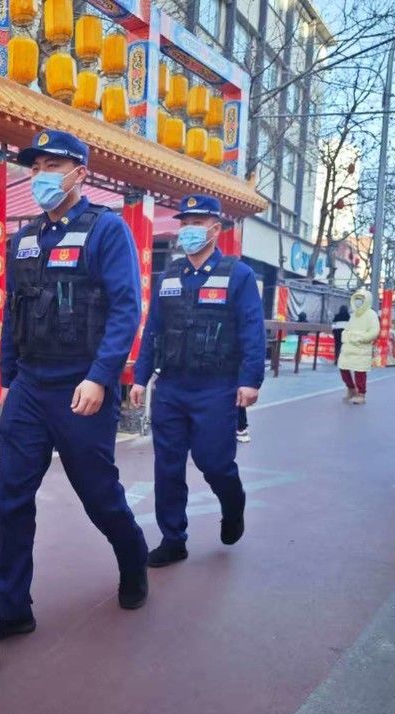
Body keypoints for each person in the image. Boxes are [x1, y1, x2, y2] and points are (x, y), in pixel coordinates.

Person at [0, 129, 148, 638]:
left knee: (98, 494)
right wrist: (8, 379)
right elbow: (13, 313)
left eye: (52, 167)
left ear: (80, 173)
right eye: (35, 168)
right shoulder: (24, 239)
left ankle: (133, 557)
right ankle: (11, 604)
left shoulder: (106, 230)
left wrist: (102, 377)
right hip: (30, 386)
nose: (40, 176)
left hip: (82, 385)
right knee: (12, 495)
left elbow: (125, 309)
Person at [130, 194, 266, 567]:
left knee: (214, 462)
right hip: (171, 386)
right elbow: (153, 330)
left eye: (197, 223)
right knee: (167, 466)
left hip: (216, 388)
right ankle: (173, 539)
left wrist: (250, 380)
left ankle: (233, 502)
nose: (189, 230)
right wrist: (141, 377)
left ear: (215, 229)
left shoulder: (238, 275)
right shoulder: (170, 275)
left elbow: (252, 330)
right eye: (185, 223)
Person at [337, 288, 379, 404]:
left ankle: (361, 394)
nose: (358, 301)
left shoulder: (371, 314)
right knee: (343, 368)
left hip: (361, 348)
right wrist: (345, 336)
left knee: (360, 372)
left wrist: (361, 338)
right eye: (356, 299)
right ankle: (351, 389)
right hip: (348, 348)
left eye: (360, 299)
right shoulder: (354, 315)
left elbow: (374, 331)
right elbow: (347, 329)